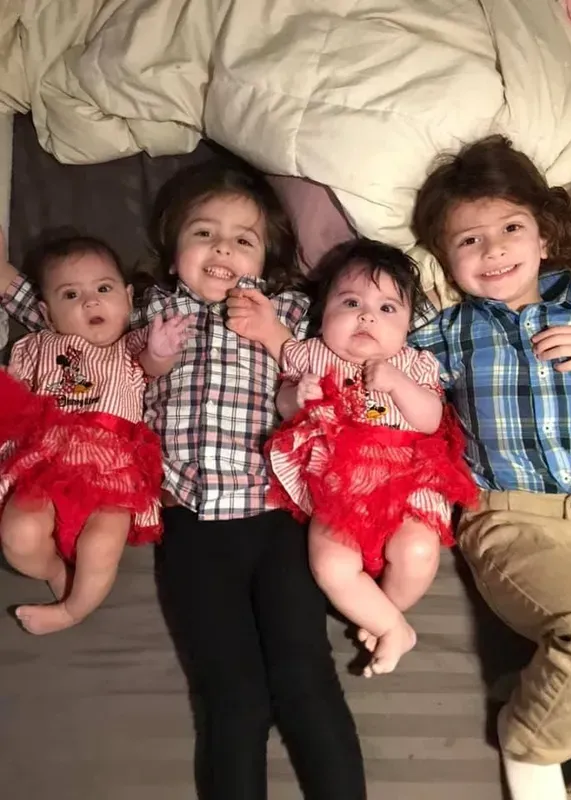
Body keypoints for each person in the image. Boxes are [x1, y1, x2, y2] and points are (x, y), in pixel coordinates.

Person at [0, 159, 366, 800]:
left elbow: (344, 353)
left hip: (279, 515)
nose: (222, 246)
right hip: (190, 523)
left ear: (266, 260)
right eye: (204, 233)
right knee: (232, 695)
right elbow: (49, 301)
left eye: (243, 239)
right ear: (171, 256)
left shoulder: (288, 309)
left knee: (304, 679)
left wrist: (277, 333)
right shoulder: (137, 311)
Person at [410, 134, 571, 800]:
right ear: (444, 261)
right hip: (514, 520)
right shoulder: (448, 330)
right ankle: (529, 743)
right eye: (467, 241)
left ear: (544, 238)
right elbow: (372, 357)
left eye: (510, 229)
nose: (492, 249)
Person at [265, 239, 477, 677]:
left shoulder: (414, 364)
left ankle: (384, 614)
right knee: (329, 562)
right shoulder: (311, 355)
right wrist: (295, 397)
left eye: (387, 309)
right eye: (350, 302)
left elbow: (430, 419)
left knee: (419, 551)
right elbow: (285, 404)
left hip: (405, 484)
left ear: (406, 327)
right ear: (323, 315)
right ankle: (394, 627)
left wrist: (399, 384)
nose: (366, 316)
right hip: (339, 490)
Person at [0, 233, 190, 635]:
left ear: (126, 297)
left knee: (102, 544)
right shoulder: (38, 346)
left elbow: (154, 364)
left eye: (103, 289)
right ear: (47, 314)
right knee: (17, 535)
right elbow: (15, 403)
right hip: (47, 458)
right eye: (70, 295)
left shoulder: (129, 343)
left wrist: (161, 349)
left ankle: (74, 609)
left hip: (112, 467)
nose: (90, 301)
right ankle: (54, 570)